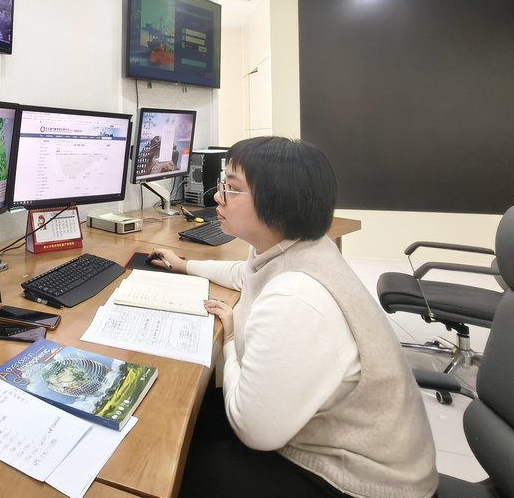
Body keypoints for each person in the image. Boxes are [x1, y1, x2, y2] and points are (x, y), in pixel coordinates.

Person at [150, 136, 438, 498]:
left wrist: (230, 340)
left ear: (278, 202)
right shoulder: (300, 248)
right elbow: (246, 274)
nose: (217, 197)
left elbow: (254, 431)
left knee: (168, 465)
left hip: (361, 483)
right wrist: (185, 265)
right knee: (182, 418)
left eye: (231, 188)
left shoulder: (296, 297)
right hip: (328, 439)